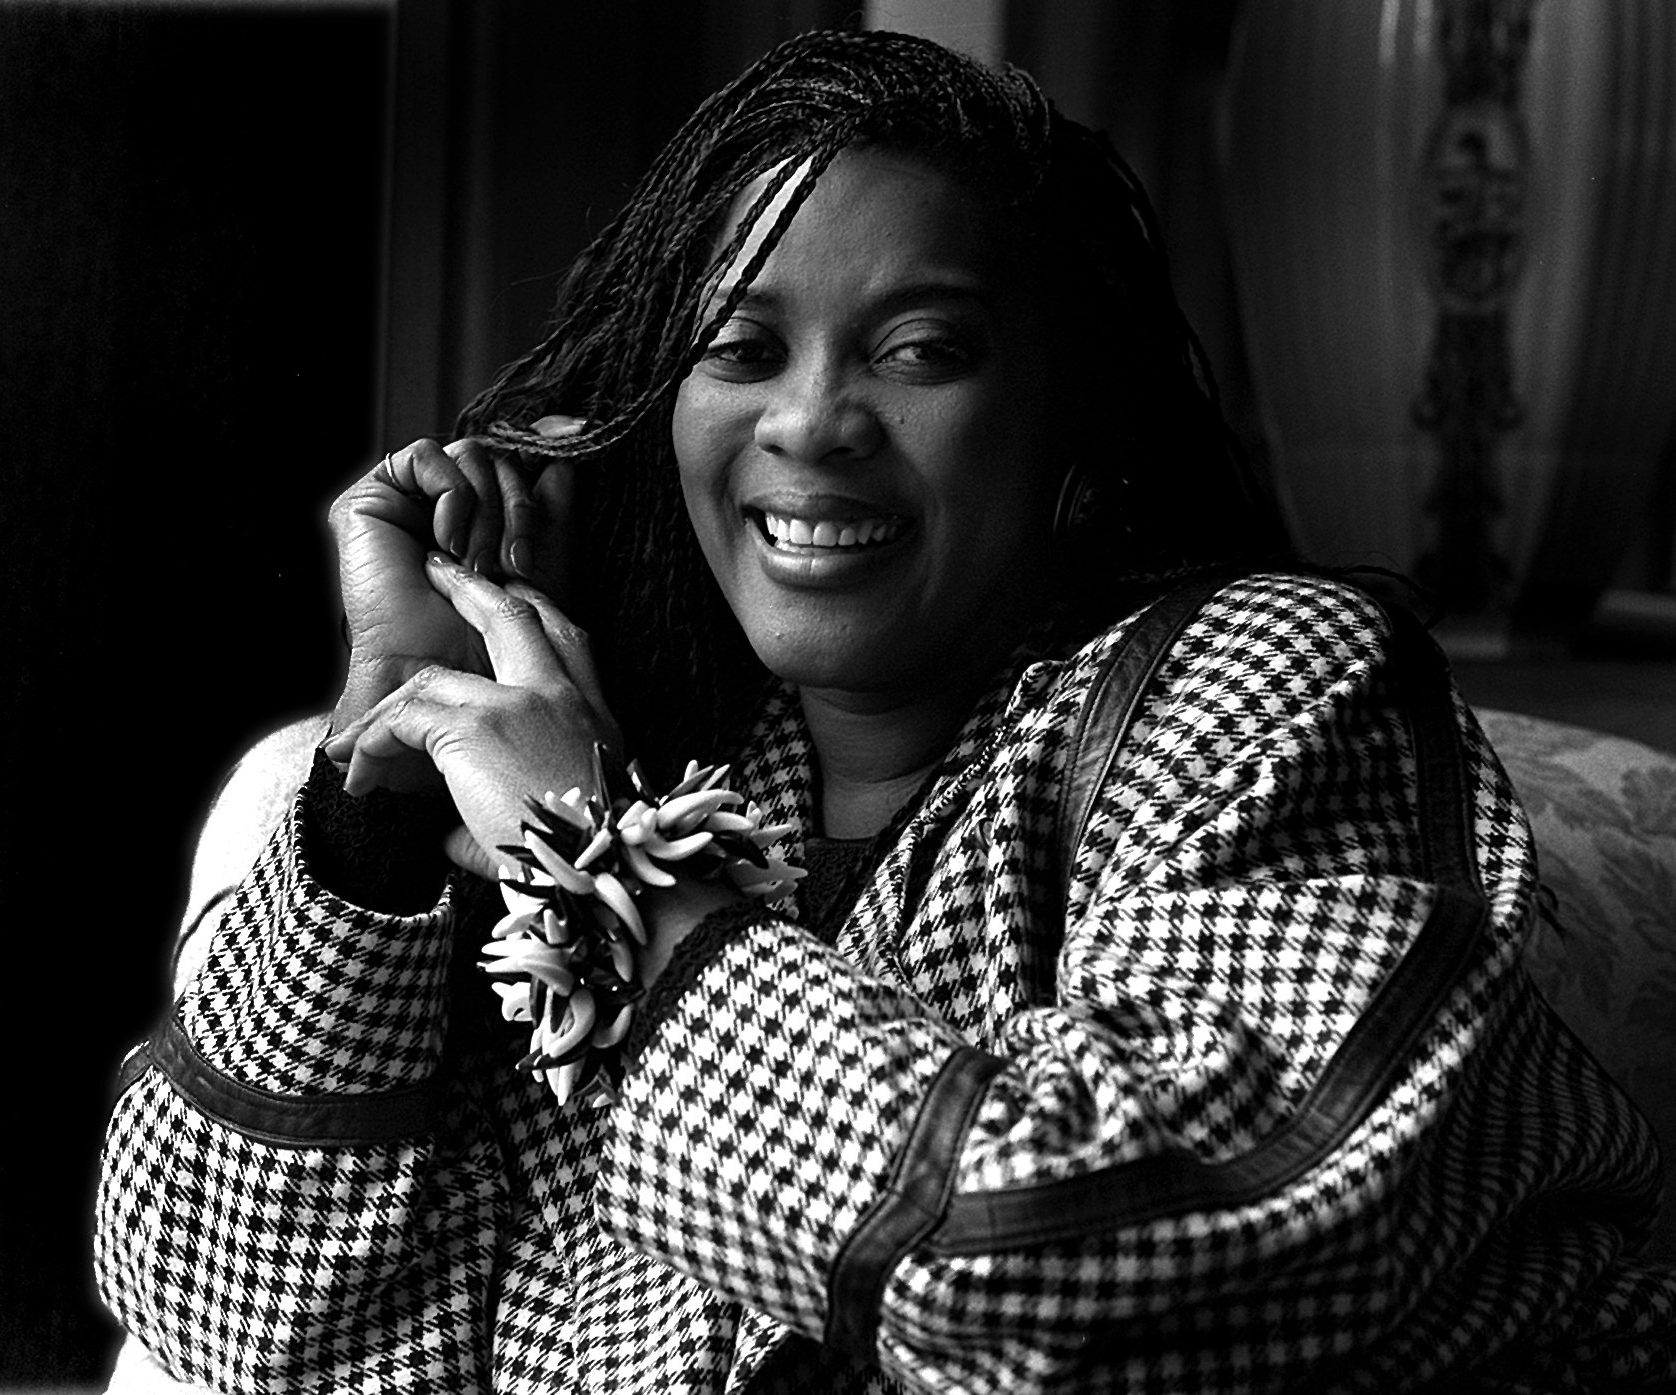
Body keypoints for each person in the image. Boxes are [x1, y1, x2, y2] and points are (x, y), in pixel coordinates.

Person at [93, 28, 1676, 1394]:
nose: (812, 423)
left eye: (921, 350)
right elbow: (241, 1324)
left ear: (1070, 416)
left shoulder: (1270, 680)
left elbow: (1096, 1276)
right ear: (663, 425)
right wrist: (381, 776)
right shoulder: (684, 795)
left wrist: (611, 886)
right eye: (737, 349)